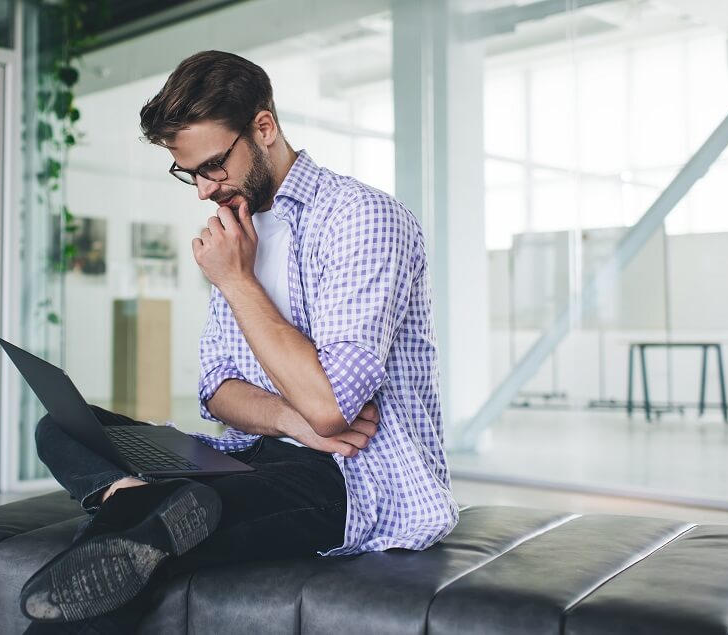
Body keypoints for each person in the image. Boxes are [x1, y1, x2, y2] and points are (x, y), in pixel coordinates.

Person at [22, 50, 458, 633]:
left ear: (264, 127)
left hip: (351, 478)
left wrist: (236, 281)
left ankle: (138, 512)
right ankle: (138, 503)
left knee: (162, 539)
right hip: (253, 454)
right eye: (190, 173)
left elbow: (331, 407)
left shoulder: (363, 219)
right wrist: (289, 419)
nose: (204, 190)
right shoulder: (236, 228)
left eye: (213, 166)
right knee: (62, 428)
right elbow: (217, 389)